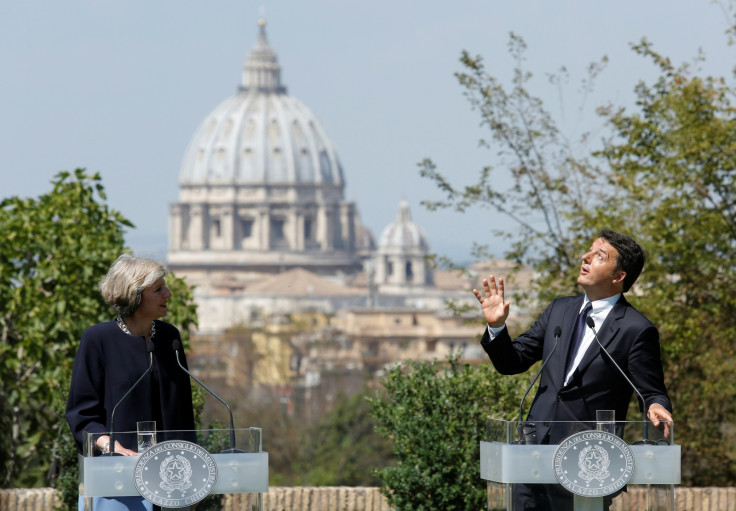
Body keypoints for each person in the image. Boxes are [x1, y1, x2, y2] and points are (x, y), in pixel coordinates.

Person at [473, 229, 673, 510]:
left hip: (588, 462)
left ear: (618, 276)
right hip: (532, 455)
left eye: (599, 255)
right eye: (589, 250)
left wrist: (656, 405)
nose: (586, 257)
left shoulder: (636, 329)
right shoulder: (559, 310)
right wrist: (496, 327)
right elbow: (511, 362)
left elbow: (651, 391)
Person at [66, 254, 196, 511]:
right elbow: (81, 414)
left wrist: (191, 474)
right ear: (134, 296)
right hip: (116, 478)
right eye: (158, 289)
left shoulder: (169, 337)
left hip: (171, 480)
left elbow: (183, 413)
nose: (168, 294)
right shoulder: (97, 339)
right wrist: (113, 447)